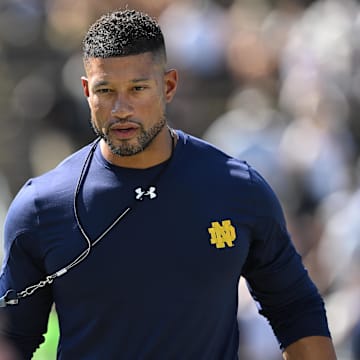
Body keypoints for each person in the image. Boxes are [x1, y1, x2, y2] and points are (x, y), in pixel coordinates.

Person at [0, 9, 337, 360]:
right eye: (106, 90)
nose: (121, 109)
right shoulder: (41, 206)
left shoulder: (238, 189)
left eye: (138, 89)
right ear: (86, 91)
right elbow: (12, 336)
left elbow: (296, 310)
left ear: (169, 86)